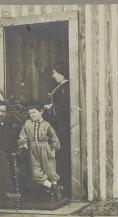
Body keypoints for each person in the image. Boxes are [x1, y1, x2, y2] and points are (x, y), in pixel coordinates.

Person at [18, 101, 62, 201]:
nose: (32, 115)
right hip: (32, 150)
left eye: (34, 112)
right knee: (36, 174)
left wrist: (54, 149)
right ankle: (54, 188)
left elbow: (54, 138)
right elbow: (22, 136)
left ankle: (55, 195)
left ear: (41, 111)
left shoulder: (47, 125)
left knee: (50, 171)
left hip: (45, 148)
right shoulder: (27, 123)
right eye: (30, 113)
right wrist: (24, 144)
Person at [44, 63, 71, 198]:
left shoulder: (65, 88)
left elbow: (62, 109)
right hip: (58, 125)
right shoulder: (61, 87)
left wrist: (50, 110)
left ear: (61, 74)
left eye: (55, 73)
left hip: (61, 126)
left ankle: (65, 188)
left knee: (62, 155)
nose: (53, 76)